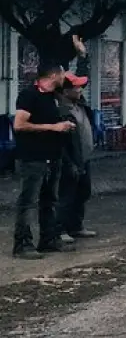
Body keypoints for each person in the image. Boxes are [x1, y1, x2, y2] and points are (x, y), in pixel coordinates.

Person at [11, 64, 75, 259]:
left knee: (50, 199)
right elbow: (19, 124)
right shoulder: (29, 95)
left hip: (52, 156)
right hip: (33, 157)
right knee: (29, 201)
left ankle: (48, 239)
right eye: (63, 73)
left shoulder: (53, 96)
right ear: (54, 75)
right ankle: (22, 243)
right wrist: (53, 127)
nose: (65, 77)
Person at [57, 72, 98, 244]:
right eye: (76, 87)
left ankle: (76, 225)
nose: (80, 90)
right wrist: (69, 162)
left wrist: (82, 57)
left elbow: (85, 79)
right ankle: (60, 229)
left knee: (82, 192)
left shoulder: (79, 105)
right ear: (65, 91)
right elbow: (61, 143)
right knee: (66, 195)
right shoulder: (61, 109)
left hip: (84, 158)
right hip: (70, 159)